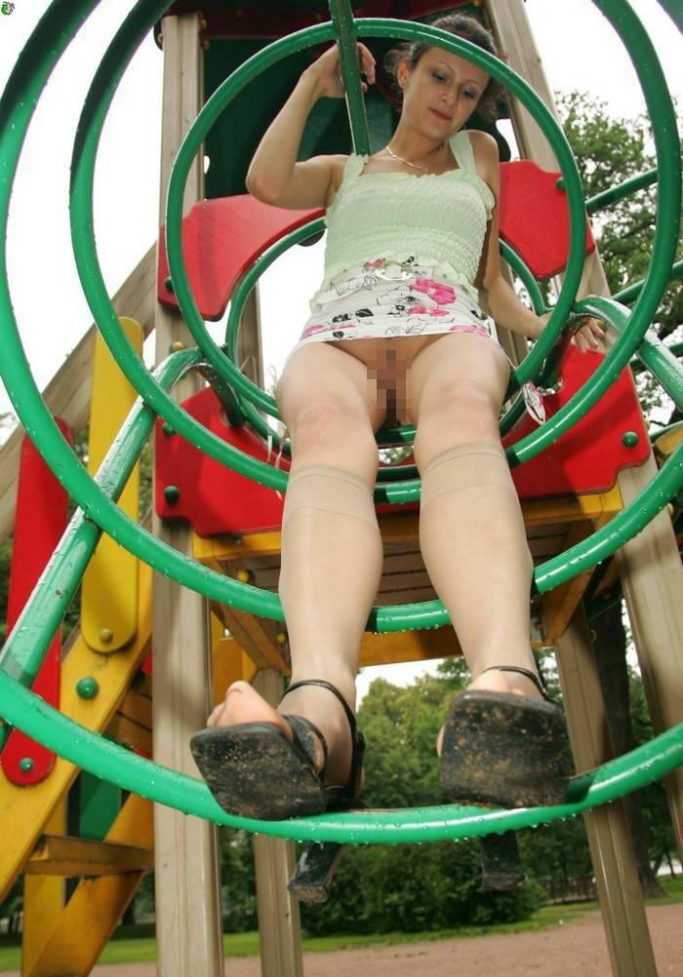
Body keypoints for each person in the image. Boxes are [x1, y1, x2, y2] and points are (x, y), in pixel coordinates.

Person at [191, 14, 604, 823]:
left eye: (471, 91)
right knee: (322, 437)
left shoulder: (476, 158)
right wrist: (313, 83)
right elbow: (265, 180)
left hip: (446, 331)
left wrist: (558, 324)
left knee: (459, 414)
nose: (453, 99)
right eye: (440, 77)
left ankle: (504, 680)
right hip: (339, 341)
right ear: (403, 73)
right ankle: (319, 709)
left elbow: (491, 291)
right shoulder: (345, 172)